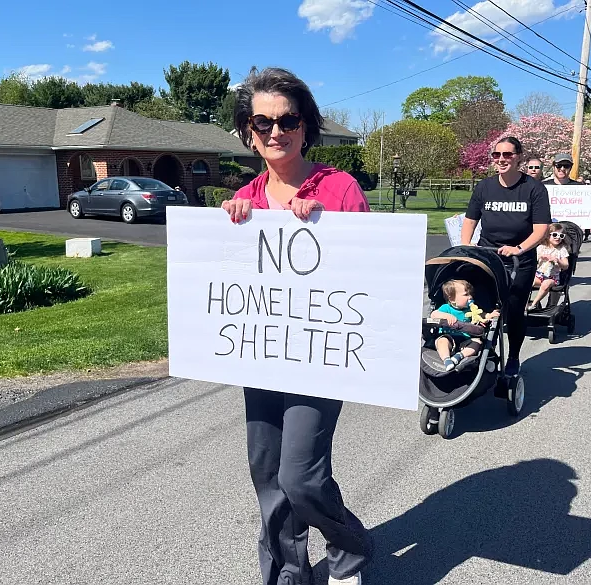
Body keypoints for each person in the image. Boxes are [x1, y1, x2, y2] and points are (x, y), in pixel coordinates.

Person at [223, 67, 372, 585]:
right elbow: (233, 284)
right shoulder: (245, 198)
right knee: (266, 473)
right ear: (248, 131)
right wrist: (229, 236)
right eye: (262, 122)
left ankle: (349, 552)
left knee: (300, 477)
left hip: (320, 356)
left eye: (288, 120)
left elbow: (368, 273)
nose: (275, 131)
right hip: (262, 354)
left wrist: (327, 227)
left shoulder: (340, 187)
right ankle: (289, 569)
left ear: (306, 126)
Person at [461, 136, 551, 376]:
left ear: (518, 156)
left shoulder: (534, 189)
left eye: (507, 155)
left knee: (513, 309)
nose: (501, 160)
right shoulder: (484, 187)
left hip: (519, 259)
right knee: (478, 305)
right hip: (488, 255)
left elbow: (541, 229)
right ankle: (480, 349)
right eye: (497, 155)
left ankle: (513, 357)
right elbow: (471, 220)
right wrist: (465, 246)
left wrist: (519, 248)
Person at [430, 279, 499, 371]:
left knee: (477, 343)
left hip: (465, 341)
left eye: (470, 294)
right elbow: (433, 315)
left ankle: (459, 356)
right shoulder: (446, 308)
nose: (470, 297)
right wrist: (446, 316)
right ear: (451, 298)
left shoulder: (470, 310)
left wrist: (489, 315)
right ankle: (446, 359)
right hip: (449, 338)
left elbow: (481, 315)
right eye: (466, 294)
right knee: (442, 341)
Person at [528, 223, 570, 311]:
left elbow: (566, 265)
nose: (557, 237)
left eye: (561, 236)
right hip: (539, 274)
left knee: (546, 284)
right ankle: (524, 302)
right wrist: (540, 257)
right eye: (555, 235)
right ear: (548, 236)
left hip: (552, 277)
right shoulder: (541, 247)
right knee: (526, 282)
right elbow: (533, 261)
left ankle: (534, 303)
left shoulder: (562, 250)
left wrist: (558, 261)